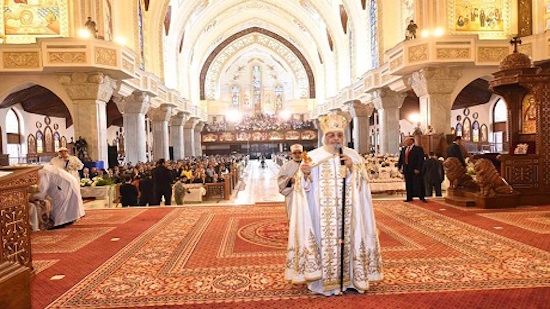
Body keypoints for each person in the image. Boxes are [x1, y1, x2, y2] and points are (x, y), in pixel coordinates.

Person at [286, 114, 383, 295]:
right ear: (325, 137)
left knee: (350, 241)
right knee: (324, 244)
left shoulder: (353, 156)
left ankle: (352, 279)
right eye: (332, 135)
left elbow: (364, 186)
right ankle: (322, 283)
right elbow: (302, 188)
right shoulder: (313, 157)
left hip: (349, 213)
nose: (336, 139)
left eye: (339, 135)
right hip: (321, 214)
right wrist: (305, 175)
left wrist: (353, 169)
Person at [277, 144, 304, 221]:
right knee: (293, 215)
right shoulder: (286, 166)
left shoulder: (308, 165)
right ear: (291, 154)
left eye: (299, 152)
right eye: (295, 153)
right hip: (292, 194)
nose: (297, 155)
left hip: (306, 193)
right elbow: (280, 180)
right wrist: (290, 180)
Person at [397, 137, 427, 202]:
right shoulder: (404, 149)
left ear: (411, 141)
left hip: (415, 169)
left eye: (406, 141)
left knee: (418, 183)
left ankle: (421, 197)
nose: (405, 142)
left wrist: (418, 168)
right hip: (406, 169)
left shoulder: (418, 149)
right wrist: (399, 167)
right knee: (408, 183)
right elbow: (401, 159)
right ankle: (409, 197)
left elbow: (420, 160)